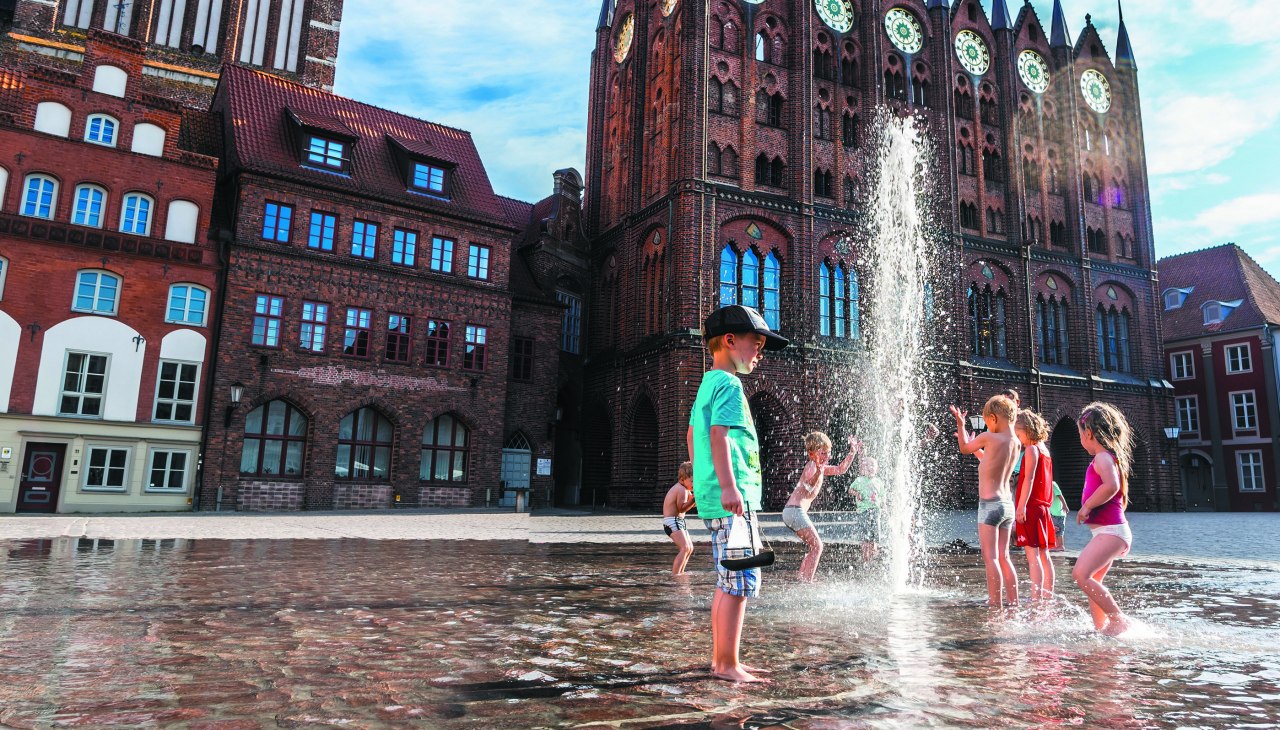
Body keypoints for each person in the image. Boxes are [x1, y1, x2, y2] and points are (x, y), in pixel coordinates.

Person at [686, 304, 789, 682]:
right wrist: (729, 486)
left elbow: (692, 436)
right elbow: (719, 436)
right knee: (742, 580)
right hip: (735, 501)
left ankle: (722, 660)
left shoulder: (707, 384)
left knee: (727, 579)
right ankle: (727, 664)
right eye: (756, 344)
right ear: (730, 341)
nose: (760, 353)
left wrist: (704, 483)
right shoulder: (729, 384)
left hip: (718, 496)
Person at [949, 395, 1020, 609]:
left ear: (993, 418)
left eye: (987, 421)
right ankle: (1014, 602)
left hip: (990, 505)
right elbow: (989, 461)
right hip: (1007, 506)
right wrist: (979, 448)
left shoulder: (989, 437)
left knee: (991, 558)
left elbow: (964, 448)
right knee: (1004, 556)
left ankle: (994, 603)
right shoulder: (1014, 442)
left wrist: (961, 426)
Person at [1072, 402, 1135, 636]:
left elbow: (1112, 485)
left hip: (1111, 532)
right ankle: (1101, 628)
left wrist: (1086, 506)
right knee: (1093, 580)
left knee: (1080, 574)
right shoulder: (1106, 457)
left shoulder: (1102, 458)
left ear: (1088, 433)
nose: (1080, 439)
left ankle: (1118, 620)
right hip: (1109, 532)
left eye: (1080, 434)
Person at [782, 432, 860, 582]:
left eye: (828, 453)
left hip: (792, 512)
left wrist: (852, 452)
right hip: (794, 511)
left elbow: (840, 469)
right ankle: (807, 580)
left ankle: (802, 578)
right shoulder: (812, 466)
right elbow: (808, 486)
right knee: (818, 546)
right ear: (812, 453)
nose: (827, 457)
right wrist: (818, 471)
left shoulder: (820, 468)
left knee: (814, 546)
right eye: (823, 453)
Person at [1013, 410, 1056, 600]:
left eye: (1019, 434)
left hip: (1031, 506)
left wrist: (1021, 507)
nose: (1018, 439)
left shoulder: (1031, 450)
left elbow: (1029, 479)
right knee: (1044, 555)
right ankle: (1048, 595)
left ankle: (1035, 597)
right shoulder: (1044, 449)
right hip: (1043, 507)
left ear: (1027, 430)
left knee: (1033, 557)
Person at [847, 456, 884, 564]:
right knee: (864, 535)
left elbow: (882, 496)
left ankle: (873, 554)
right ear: (863, 469)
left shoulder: (879, 482)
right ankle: (865, 557)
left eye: (872, 465)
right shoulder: (859, 480)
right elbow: (850, 490)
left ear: (877, 469)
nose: (870, 467)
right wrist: (857, 493)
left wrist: (884, 506)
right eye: (867, 465)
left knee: (875, 534)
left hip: (876, 510)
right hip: (863, 511)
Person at [662, 461, 697, 576]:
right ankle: (675, 574)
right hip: (672, 521)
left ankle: (681, 572)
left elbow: (691, 505)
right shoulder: (681, 489)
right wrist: (693, 499)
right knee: (685, 547)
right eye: (692, 481)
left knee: (689, 548)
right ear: (682, 479)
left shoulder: (686, 489)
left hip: (678, 521)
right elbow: (681, 508)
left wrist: (696, 499)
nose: (693, 484)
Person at [1049, 481, 1069, 552]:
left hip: (1059, 512)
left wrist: (1065, 505)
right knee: (1055, 529)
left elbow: (1059, 494)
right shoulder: (1046, 484)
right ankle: (1057, 545)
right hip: (1053, 511)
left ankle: (1061, 546)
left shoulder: (1052, 484)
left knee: (1059, 529)